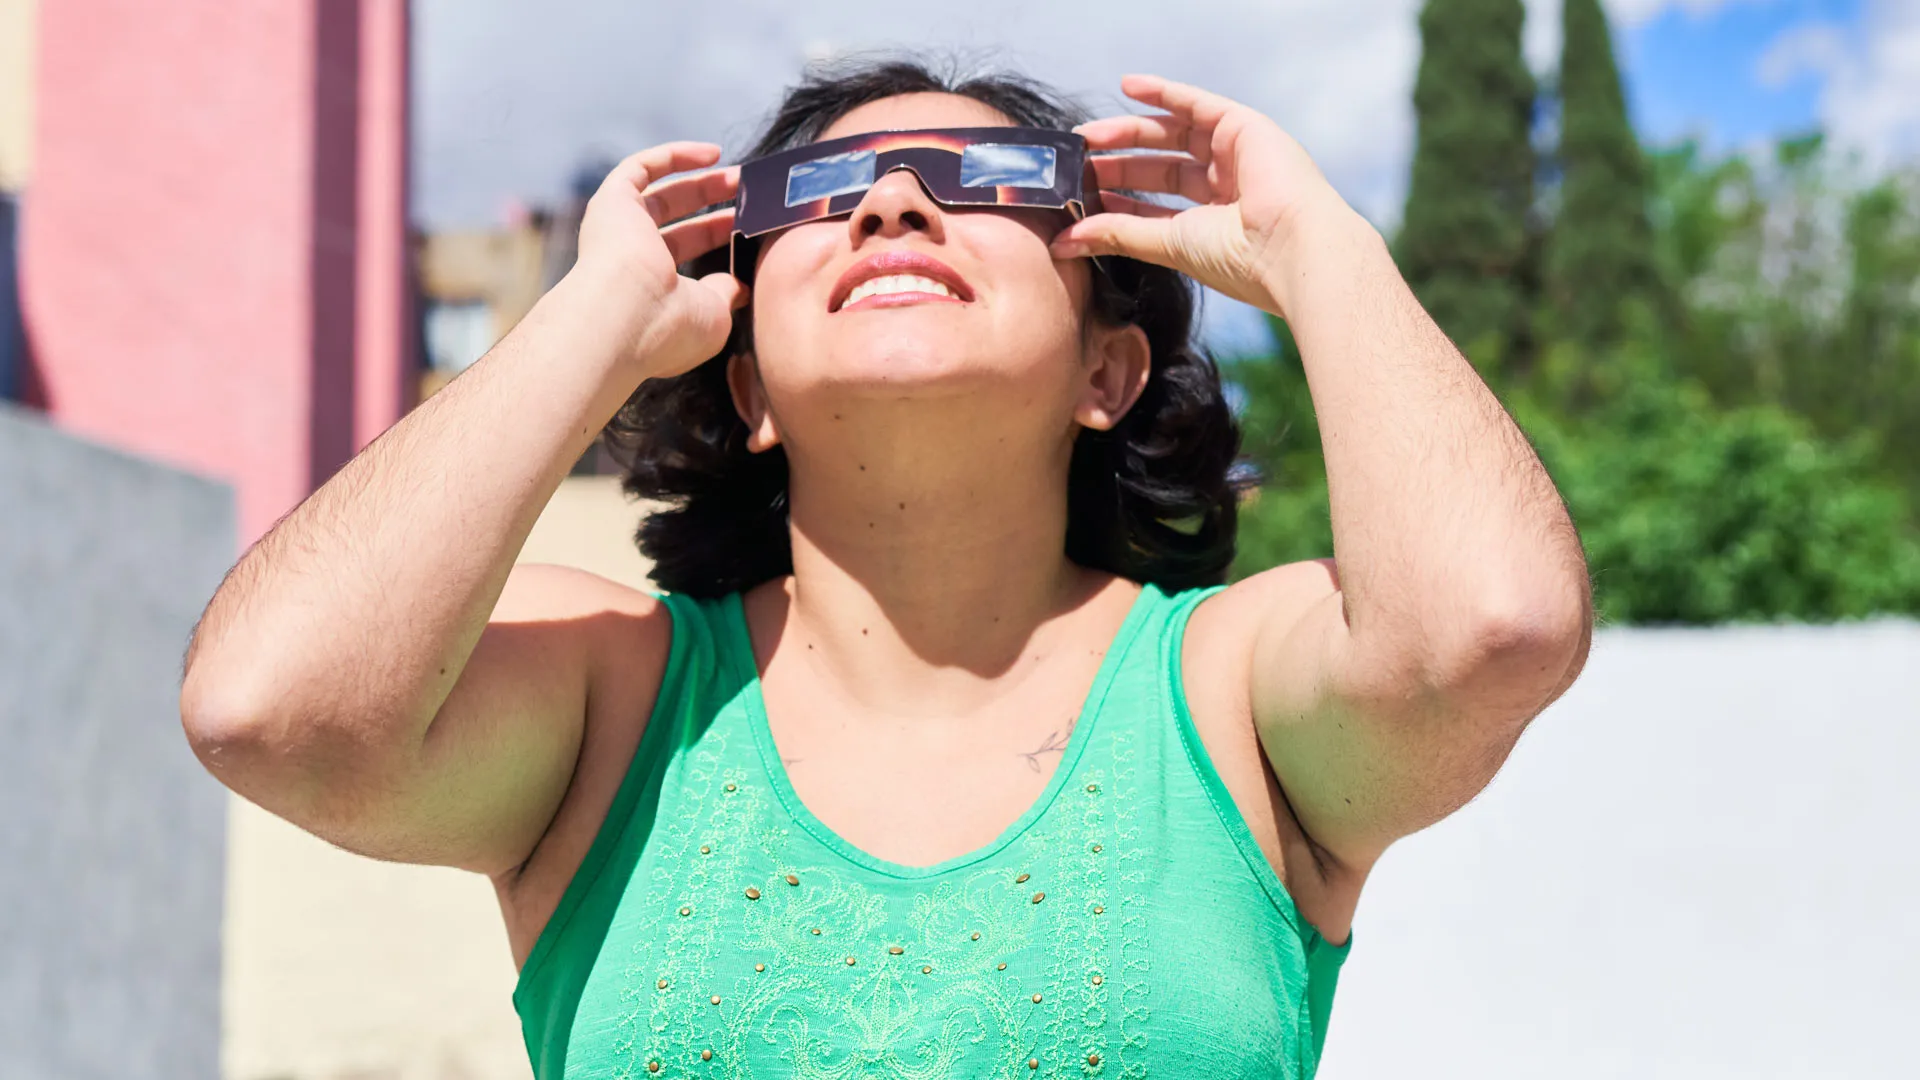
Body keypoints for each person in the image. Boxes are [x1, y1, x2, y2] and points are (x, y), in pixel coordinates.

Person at [181, 55, 1591, 1079]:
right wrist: (589, 320)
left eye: (991, 184)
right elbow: (272, 709)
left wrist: (1320, 247)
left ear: (1108, 368)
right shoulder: (616, 703)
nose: (896, 208)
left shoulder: (1229, 689)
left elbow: (1492, 628)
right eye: (819, 191)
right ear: (749, 391)